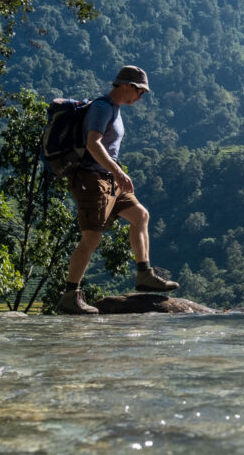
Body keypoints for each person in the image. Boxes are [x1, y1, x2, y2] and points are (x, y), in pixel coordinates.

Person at [59, 65, 179, 315]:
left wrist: (116, 174)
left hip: (110, 178)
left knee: (140, 215)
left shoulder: (114, 109)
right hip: (92, 179)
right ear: (126, 86)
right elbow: (93, 144)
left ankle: (145, 274)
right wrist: (118, 171)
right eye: (140, 91)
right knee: (92, 236)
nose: (141, 96)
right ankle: (70, 295)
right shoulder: (102, 107)